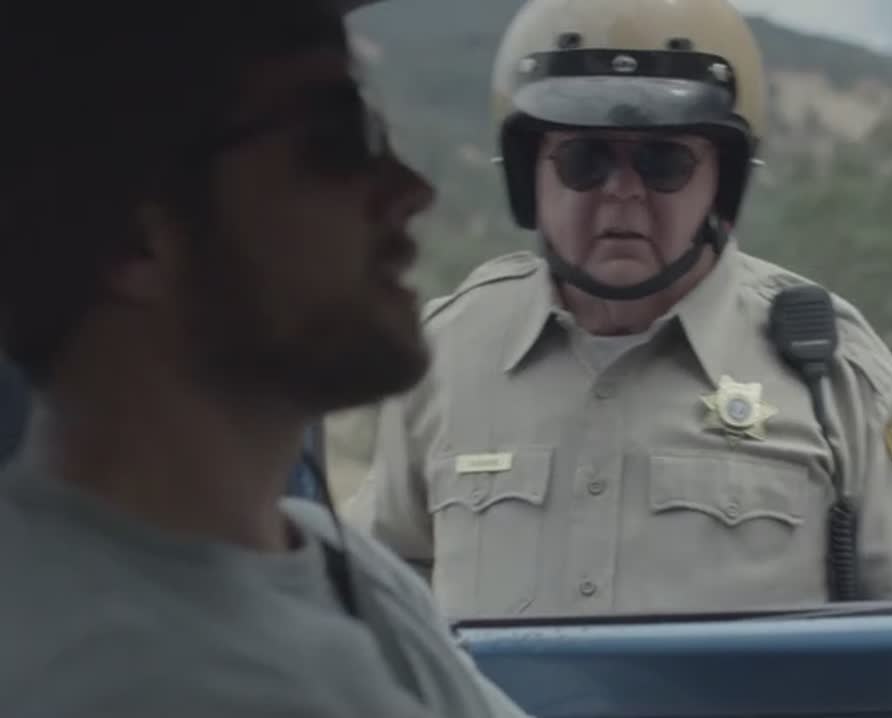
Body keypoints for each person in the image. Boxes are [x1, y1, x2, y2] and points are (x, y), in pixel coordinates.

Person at [359, 0, 892, 619]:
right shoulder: (444, 355)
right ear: (528, 176)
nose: (622, 192)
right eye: (583, 159)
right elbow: (376, 585)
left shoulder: (830, 370)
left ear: (723, 180)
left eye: (665, 161)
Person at [0, 2, 529, 716]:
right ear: (135, 240)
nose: (411, 193)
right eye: (335, 141)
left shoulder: (343, 570)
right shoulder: (117, 679)